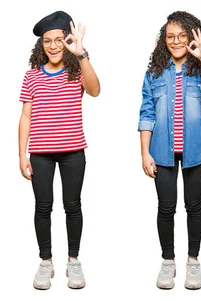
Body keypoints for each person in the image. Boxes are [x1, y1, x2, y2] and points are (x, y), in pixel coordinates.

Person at [138, 11, 201, 290]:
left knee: (194, 205)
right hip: (161, 150)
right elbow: (146, 113)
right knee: (166, 207)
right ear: (164, 40)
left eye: (181, 36)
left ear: (191, 38)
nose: (175, 41)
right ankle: (168, 261)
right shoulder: (154, 73)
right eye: (170, 36)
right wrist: (145, 152)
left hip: (196, 149)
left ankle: (193, 261)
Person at [18, 10, 100, 290]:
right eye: (47, 41)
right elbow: (26, 116)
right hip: (40, 154)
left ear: (67, 41)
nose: (53, 46)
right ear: (41, 45)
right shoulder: (31, 76)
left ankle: (73, 261)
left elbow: (95, 90)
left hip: (73, 152)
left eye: (58, 40)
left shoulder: (76, 72)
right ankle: (45, 261)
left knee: (72, 206)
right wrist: (22, 154)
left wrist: (81, 54)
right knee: (43, 207)